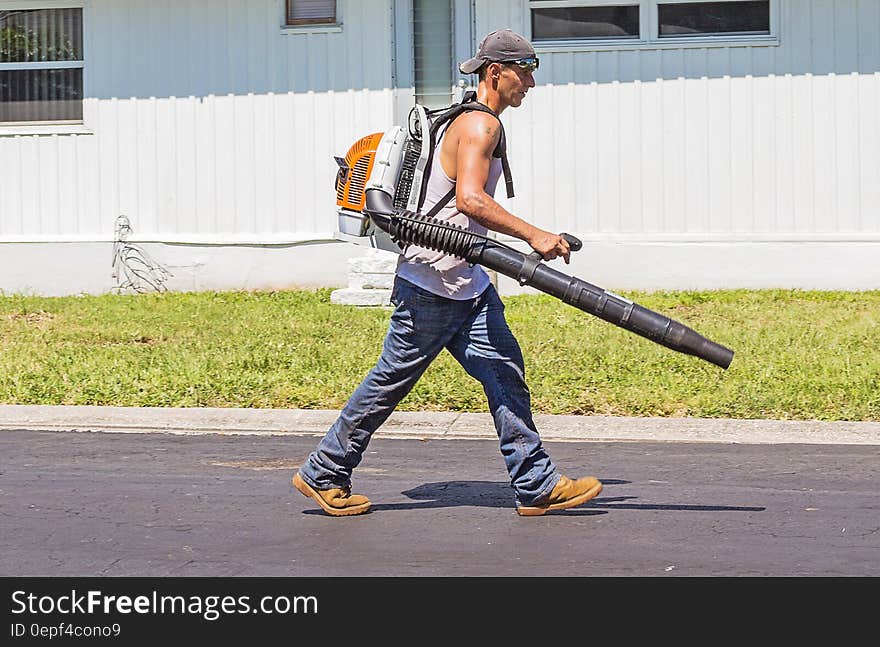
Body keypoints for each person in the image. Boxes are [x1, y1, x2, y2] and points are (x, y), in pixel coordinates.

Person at [293, 28, 602, 517]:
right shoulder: (481, 126)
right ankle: (324, 470)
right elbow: (471, 201)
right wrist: (535, 235)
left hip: (465, 281)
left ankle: (536, 483)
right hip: (433, 284)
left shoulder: (461, 120)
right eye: (526, 73)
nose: (531, 84)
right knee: (389, 381)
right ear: (495, 73)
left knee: (504, 372)